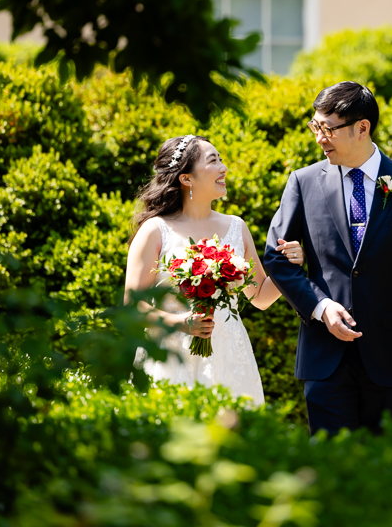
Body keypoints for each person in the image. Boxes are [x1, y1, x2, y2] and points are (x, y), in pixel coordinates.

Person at [263, 81, 392, 435]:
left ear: (362, 128)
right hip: (324, 356)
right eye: (316, 127)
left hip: (389, 356)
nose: (320, 138)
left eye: (328, 128)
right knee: (331, 467)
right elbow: (274, 258)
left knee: (384, 467)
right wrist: (320, 307)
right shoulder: (303, 182)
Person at [125, 134, 305, 406]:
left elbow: (261, 298)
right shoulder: (155, 230)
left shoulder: (236, 227)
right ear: (186, 179)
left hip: (230, 356)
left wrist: (289, 265)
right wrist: (183, 323)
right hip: (170, 358)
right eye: (213, 161)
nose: (224, 168)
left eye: (221, 159)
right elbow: (132, 308)